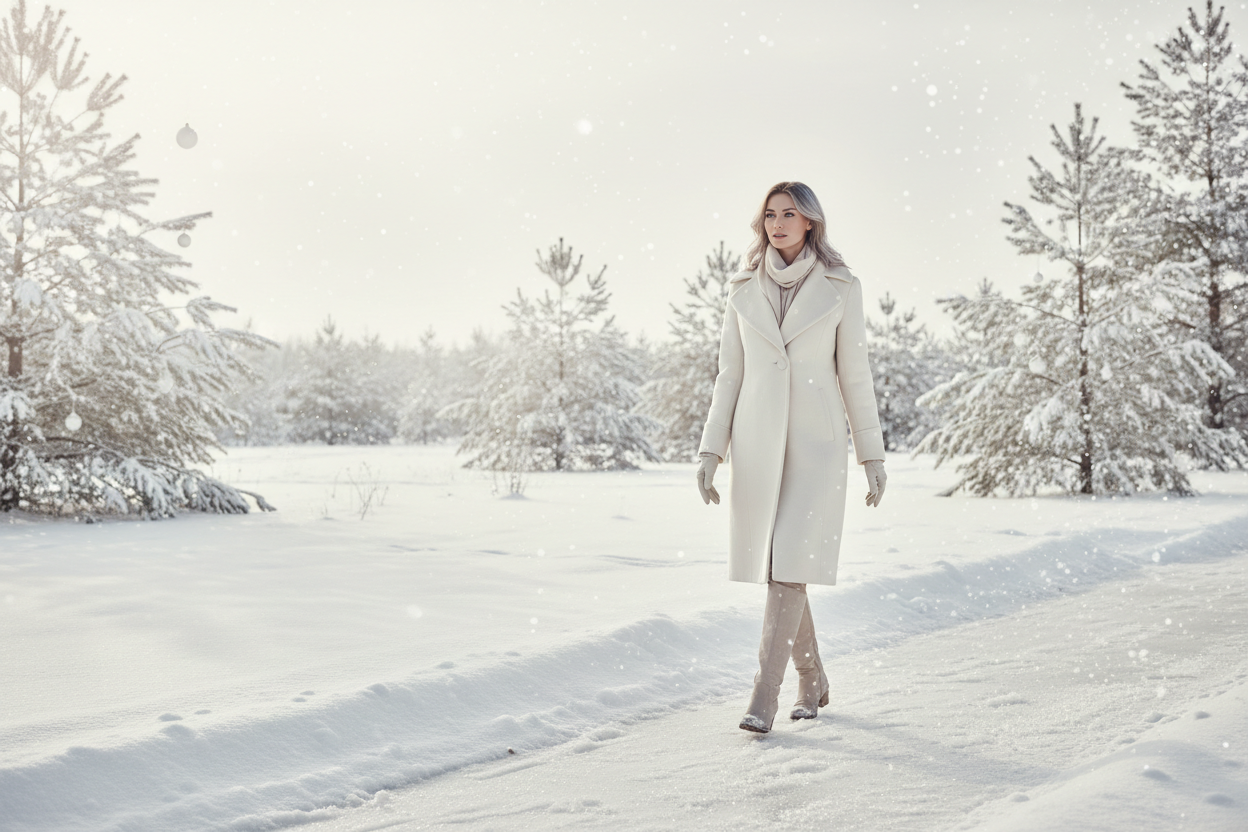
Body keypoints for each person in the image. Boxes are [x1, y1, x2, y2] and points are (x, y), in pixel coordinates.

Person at [695, 181, 887, 734]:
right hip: (756, 445)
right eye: (769, 215)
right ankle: (813, 678)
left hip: (816, 446)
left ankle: (765, 693)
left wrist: (870, 455)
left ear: (810, 223)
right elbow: (729, 375)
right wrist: (712, 448)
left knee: (789, 566)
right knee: (781, 566)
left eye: (789, 214)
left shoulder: (841, 287)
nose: (777, 224)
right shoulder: (740, 290)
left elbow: (855, 376)